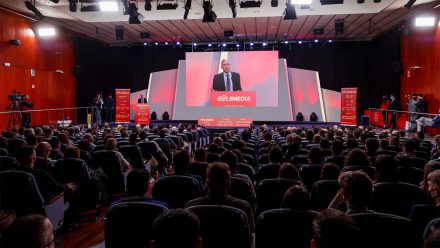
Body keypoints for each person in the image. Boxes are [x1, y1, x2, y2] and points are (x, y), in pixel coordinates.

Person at [184, 162, 255, 231]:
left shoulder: (190, 207)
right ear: (229, 185)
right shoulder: (244, 207)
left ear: (206, 183)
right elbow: (251, 234)